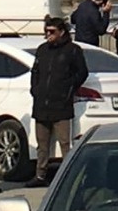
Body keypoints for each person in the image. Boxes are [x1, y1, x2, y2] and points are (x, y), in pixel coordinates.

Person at [27, 15, 88, 183]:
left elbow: (82, 73)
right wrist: (35, 89)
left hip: (61, 104)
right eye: (46, 31)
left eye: (52, 31)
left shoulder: (72, 50)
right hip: (41, 104)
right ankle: (40, 175)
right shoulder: (42, 49)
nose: (48, 35)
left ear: (61, 32)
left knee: (64, 143)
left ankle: (67, 177)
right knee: (42, 144)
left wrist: (68, 88)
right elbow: (35, 71)